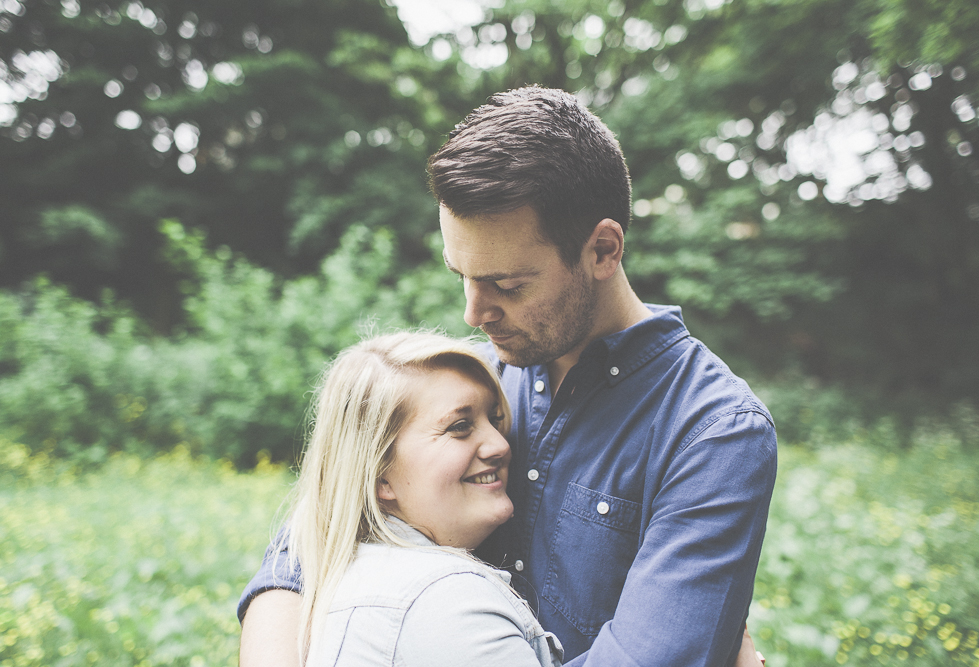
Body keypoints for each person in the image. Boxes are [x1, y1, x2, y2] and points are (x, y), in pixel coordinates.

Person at [239, 86, 777, 666]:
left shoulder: (713, 431)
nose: (474, 314)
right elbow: (312, 535)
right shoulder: (475, 380)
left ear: (602, 251)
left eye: (508, 285)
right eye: (462, 276)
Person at [282, 331, 564, 666]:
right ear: (380, 477)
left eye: (495, 419)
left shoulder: (354, 577)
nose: (501, 445)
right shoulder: (447, 602)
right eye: (459, 426)